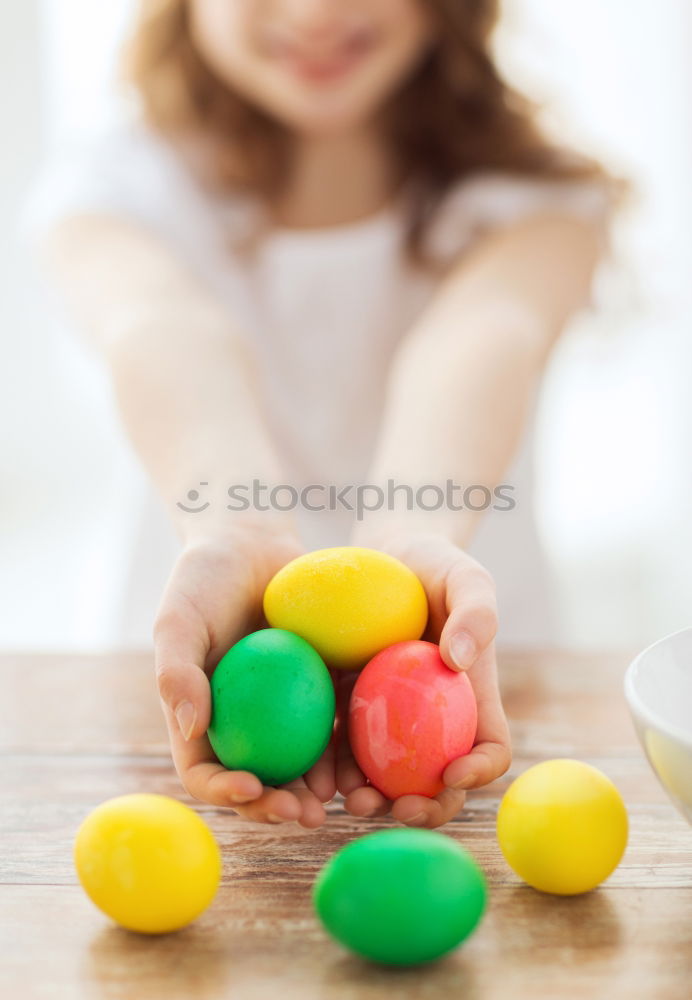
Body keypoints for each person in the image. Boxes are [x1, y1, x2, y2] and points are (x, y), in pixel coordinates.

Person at [26, 0, 618, 830]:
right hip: (193, 692)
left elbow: (477, 342)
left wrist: (409, 558)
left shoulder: (539, 196)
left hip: (470, 687)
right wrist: (234, 525)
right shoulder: (117, 187)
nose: (311, 12)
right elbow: (162, 332)